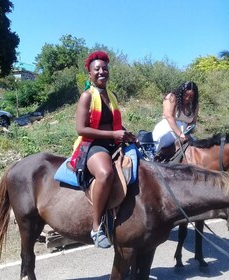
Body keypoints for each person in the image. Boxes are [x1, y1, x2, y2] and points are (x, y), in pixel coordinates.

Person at [70, 51, 136, 248]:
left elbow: (115, 124)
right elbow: (81, 129)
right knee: (106, 174)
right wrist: (113, 136)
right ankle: (96, 226)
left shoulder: (111, 96)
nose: (101, 71)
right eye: (96, 69)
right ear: (89, 74)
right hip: (92, 144)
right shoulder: (86, 97)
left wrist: (127, 134)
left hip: (113, 142)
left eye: (105, 68)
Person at [152, 81, 199, 153]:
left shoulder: (195, 105)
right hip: (169, 128)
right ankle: (150, 156)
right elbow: (169, 116)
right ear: (181, 92)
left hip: (185, 133)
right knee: (159, 139)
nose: (187, 98)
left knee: (198, 148)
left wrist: (187, 132)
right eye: (185, 95)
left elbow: (193, 122)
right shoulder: (171, 97)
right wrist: (180, 134)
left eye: (191, 97)